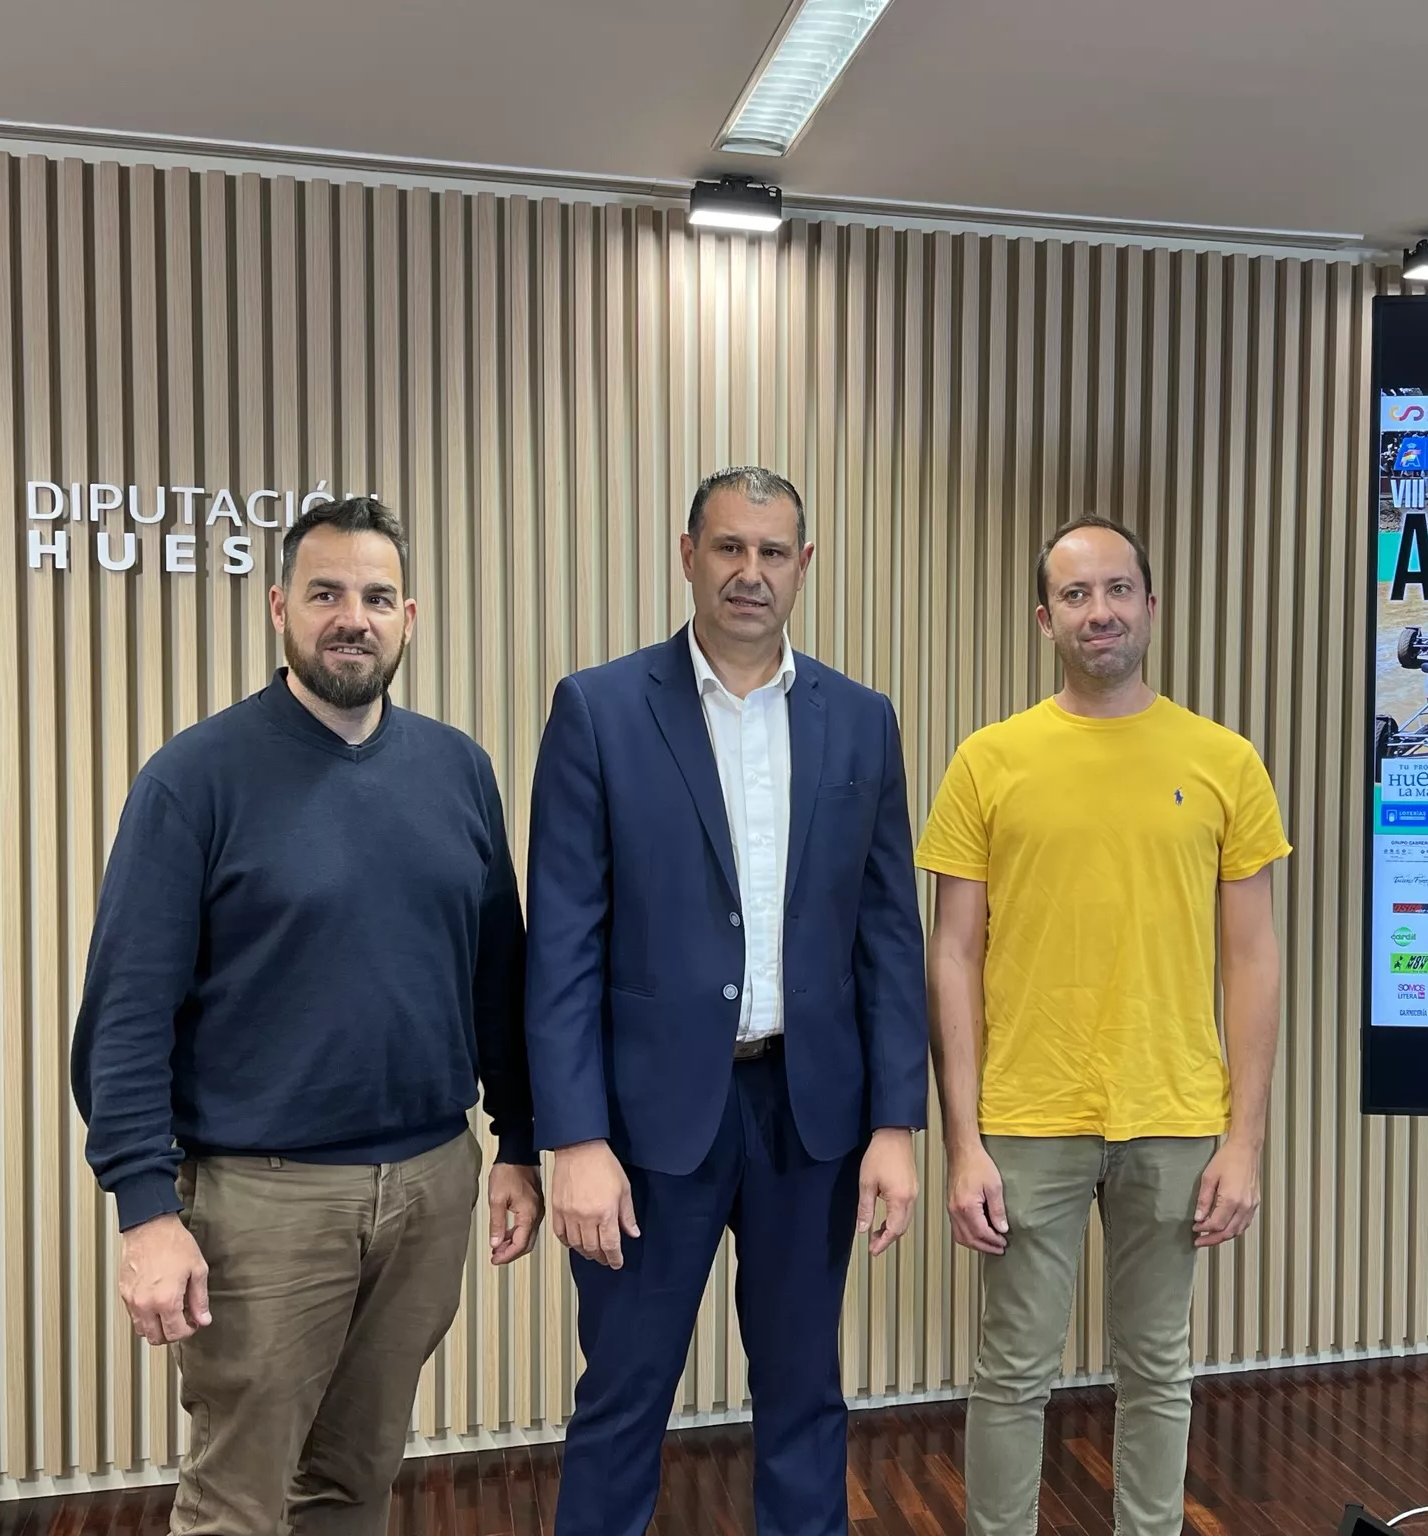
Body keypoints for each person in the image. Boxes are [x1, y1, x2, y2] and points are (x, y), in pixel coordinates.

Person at [71, 496, 544, 1536]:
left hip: (429, 1184)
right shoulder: (195, 779)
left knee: (355, 1478)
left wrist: (517, 1141)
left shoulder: (457, 769)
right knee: (238, 1498)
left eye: (377, 598)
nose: (352, 618)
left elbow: (495, 976)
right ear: (281, 607)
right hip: (260, 1207)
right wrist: (145, 1212)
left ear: (409, 617)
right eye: (326, 593)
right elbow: (127, 1016)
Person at [524, 466, 928, 1536]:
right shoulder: (599, 710)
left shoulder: (860, 720)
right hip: (646, 1130)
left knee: (804, 1396)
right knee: (621, 1403)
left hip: (811, 1120)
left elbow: (888, 936)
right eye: (728, 548)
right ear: (687, 554)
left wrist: (895, 1123)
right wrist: (573, 1139)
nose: (750, 573)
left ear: (804, 565)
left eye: (773, 551)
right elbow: (560, 943)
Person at [918, 515, 1288, 1536]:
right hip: (1026, 1115)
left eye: (1118, 589)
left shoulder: (1222, 760)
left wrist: (1243, 1141)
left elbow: (1252, 957)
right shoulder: (987, 762)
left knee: (1156, 1366)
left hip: (1172, 1112)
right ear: (1044, 618)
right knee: (1010, 1372)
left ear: (1150, 608)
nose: (1100, 611)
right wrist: (962, 1143)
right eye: (1075, 595)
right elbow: (949, 954)